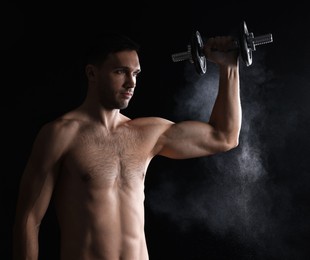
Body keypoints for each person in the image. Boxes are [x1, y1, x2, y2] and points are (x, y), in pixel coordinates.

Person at [13, 30, 242, 260]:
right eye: (120, 72)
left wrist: (229, 66)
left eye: (136, 73)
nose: (131, 82)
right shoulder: (61, 135)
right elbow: (29, 220)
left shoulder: (148, 133)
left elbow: (224, 136)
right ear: (92, 73)